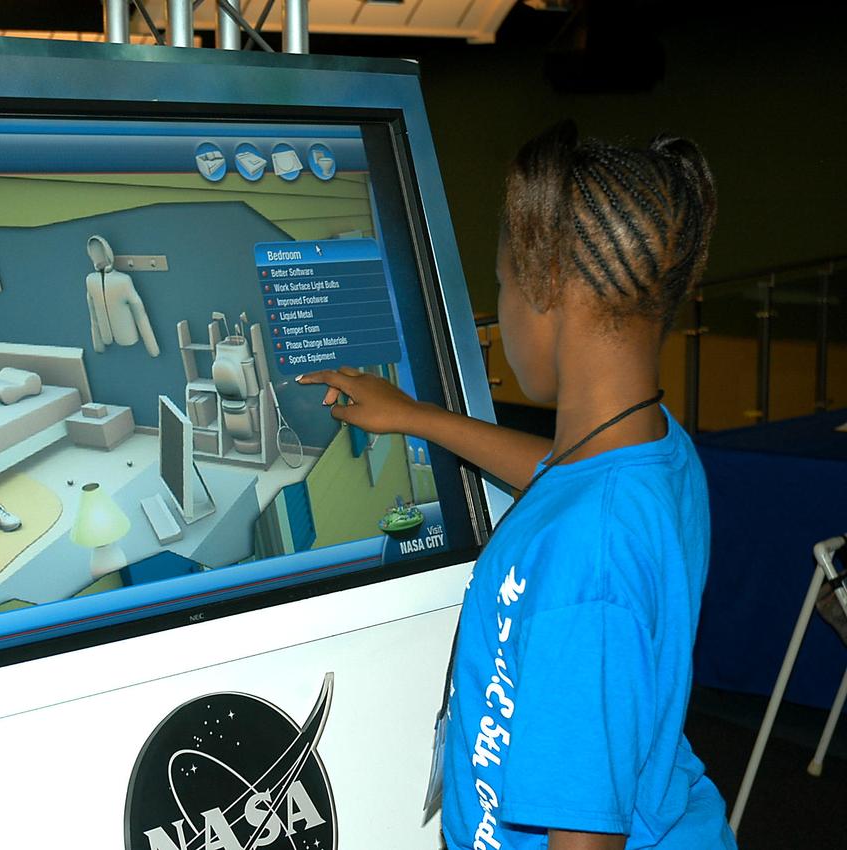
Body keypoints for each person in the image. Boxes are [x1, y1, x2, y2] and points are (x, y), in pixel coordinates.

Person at [298, 120, 737, 850]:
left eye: (502, 284)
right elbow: (560, 478)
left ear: (546, 292)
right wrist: (420, 418)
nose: (499, 313)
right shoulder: (652, 449)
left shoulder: (585, 563)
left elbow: (584, 836)